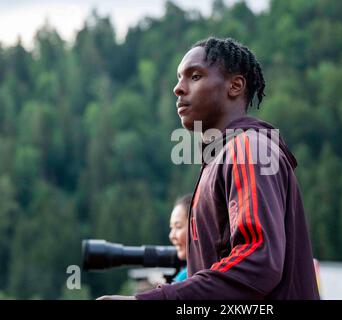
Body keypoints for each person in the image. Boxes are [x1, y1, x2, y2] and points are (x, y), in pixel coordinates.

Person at [98, 37, 319, 300]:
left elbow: (258, 261)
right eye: (179, 78)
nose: (178, 89)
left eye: (194, 76)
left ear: (235, 86)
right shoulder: (223, 158)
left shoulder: (249, 149)